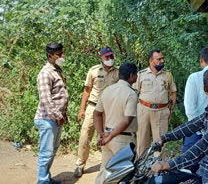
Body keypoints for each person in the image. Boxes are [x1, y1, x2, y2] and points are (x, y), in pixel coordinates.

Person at [152, 68, 208, 184]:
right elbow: (192, 125)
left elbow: (204, 145)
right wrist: (164, 137)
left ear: (204, 89)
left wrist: (169, 164)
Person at [74, 46, 119, 177]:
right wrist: (82, 109)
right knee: (85, 135)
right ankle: (80, 165)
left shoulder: (118, 72)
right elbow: (87, 90)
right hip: (93, 107)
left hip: (110, 109)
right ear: (101, 58)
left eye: (112, 57)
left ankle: (107, 165)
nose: (110, 59)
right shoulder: (93, 71)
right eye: (107, 57)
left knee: (108, 136)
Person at [93, 62, 138, 184]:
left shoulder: (108, 90)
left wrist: (101, 134)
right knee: (123, 175)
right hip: (123, 140)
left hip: (107, 136)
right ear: (132, 76)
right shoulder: (131, 94)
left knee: (105, 171)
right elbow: (127, 119)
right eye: (136, 75)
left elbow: (96, 113)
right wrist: (111, 135)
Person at [34, 42, 68, 184]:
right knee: (46, 153)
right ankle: (42, 181)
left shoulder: (56, 70)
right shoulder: (45, 73)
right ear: (50, 56)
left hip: (54, 119)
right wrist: (58, 116)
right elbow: (46, 100)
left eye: (62, 53)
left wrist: (62, 116)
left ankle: (46, 178)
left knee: (52, 151)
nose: (62, 56)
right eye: (59, 54)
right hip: (48, 119)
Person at [134, 50, 177, 158]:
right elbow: (134, 93)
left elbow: (173, 93)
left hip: (161, 112)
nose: (162, 61)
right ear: (151, 61)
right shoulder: (141, 75)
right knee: (141, 142)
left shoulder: (167, 75)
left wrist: (170, 112)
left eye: (162, 58)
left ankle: (157, 171)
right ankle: (140, 169)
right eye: (159, 59)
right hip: (143, 111)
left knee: (160, 143)